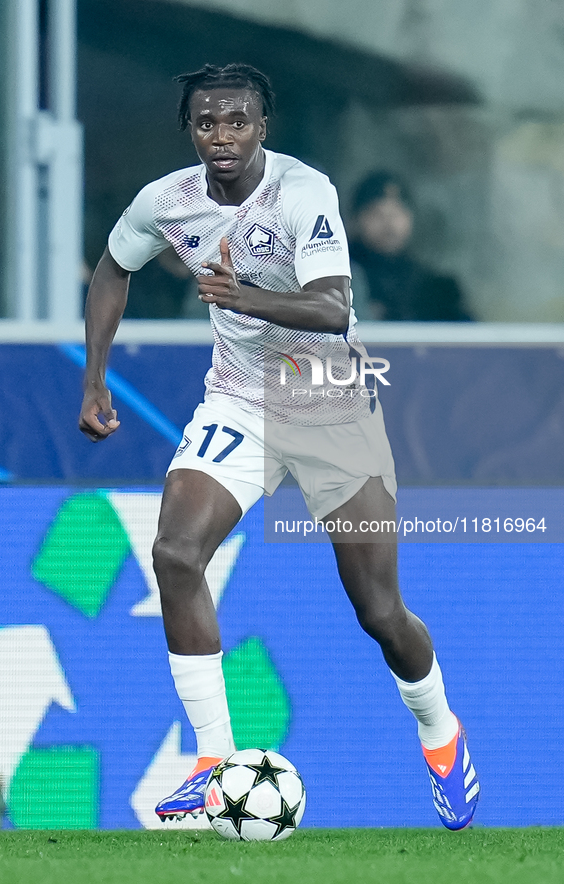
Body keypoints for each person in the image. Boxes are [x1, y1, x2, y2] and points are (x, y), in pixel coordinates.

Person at [78, 64, 479, 830]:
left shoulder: (304, 193)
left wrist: (242, 297)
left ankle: (439, 731)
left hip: (329, 404)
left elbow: (332, 307)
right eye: (205, 123)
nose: (220, 137)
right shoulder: (166, 202)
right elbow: (110, 267)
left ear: (264, 127)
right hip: (238, 401)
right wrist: (94, 378)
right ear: (189, 129)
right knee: (174, 553)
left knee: (377, 608)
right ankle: (209, 763)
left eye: (236, 122)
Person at [349, 171, 472, 322]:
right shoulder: (342, 279)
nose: (389, 225)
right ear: (356, 220)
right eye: (376, 214)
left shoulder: (436, 289)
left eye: (396, 214)